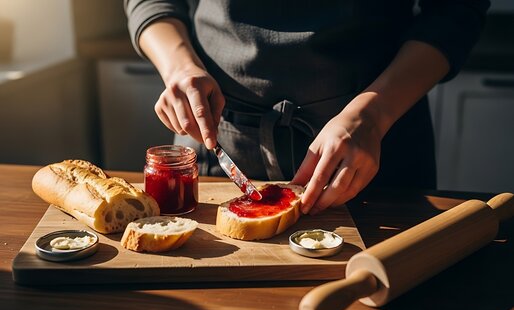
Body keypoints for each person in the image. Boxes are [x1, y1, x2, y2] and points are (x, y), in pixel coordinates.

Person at [124, 0, 489, 214]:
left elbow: (455, 10)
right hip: (215, 133)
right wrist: (179, 66)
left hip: (374, 143)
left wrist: (374, 114)